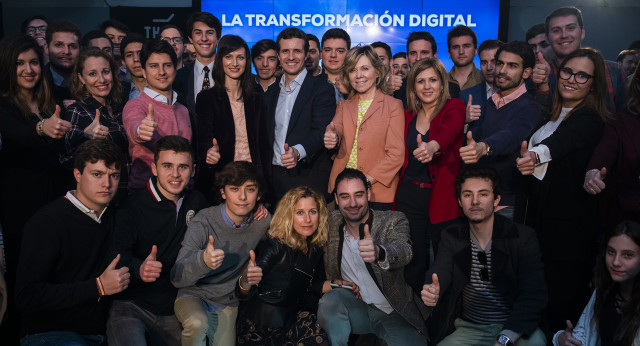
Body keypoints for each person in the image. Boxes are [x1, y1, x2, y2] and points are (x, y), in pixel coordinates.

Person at [516, 47, 609, 335]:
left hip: (569, 236)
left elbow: (563, 143)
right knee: (537, 309)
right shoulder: (551, 115)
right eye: (568, 71)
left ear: (594, 84)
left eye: (583, 75)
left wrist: (535, 156)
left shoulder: (590, 118)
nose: (572, 79)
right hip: (540, 228)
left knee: (561, 313)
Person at [15, 139, 130, 345]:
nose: (107, 184)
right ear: (77, 174)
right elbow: (26, 296)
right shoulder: (48, 222)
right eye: (97, 174)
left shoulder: (114, 215)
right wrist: (98, 287)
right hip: (50, 331)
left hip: (102, 330)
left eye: (114, 175)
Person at [0, 33, 71, 344]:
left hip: (55, 204)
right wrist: (42, 127)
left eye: (33, 62)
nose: (28, 69)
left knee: (56, 272)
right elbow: (15, 134)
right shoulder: (3, 104)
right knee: (21, 279)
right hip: (18, 209)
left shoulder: (53, 100)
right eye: (19, 63)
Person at [424, 167, 547, 346]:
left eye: (483, 194)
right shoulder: (451, 236)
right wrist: (432, 290)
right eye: (467, 195)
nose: (475, 201)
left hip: (514, 326)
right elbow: (440, 271)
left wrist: (506, 338)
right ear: (459, 201)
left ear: (496, 200)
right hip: (469, 328)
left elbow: (534, 293)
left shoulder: (522, 237)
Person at [106, 136, 209, 346]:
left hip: (172, 308)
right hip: (131, 305)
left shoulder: (198, 202)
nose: (175, 174)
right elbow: (116, 253)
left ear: (193, 170)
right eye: (167, 166)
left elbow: (227, 214)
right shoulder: (132, 207)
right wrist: (138, 267)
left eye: (183, 167)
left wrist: (255, 211)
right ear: (154, 168)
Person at [317, 168, 429, 345]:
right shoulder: (329, 222)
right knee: (329, 302)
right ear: (337, 200)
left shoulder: (393, 220)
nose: (352, 203)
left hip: (391, 310)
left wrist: (379, 252)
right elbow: (299, 219)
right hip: (354, 307)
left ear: (368, 194)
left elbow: (404, 250)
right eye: (345, 196)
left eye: (358, 194)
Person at [171, 161, 271, 346]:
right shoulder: (204, 220)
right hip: (194, 295)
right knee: (197, 323)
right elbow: (177, 278)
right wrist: (203, 261)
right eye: (234, 189)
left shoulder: (262, 222)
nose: (242, 197)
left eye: (250, 189)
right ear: (223, 192)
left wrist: (247, 280)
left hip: (227, 301)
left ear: (259, 195)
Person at [395, 58, 465, 293]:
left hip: (442, 198)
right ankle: (416, 319)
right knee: (413, 263)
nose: (427, 86)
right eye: (420, 81)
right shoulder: (406, 116)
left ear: (442, 83)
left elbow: (450, 130)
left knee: (444, 264)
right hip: (408, 196)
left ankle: (443, 322)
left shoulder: (454, 107)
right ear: (413, 87)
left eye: (433, 80)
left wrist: (432, 146)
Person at [237, 186, 330, 345]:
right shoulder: (276, 245)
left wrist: (337, 285)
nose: (307, 219)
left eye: (312, 212)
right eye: (300, 212)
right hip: (261, 324)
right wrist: (245, 280)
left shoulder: (315, 249)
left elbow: (310, 286)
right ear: (288, 216)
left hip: (292, 318)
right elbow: (244, 291)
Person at [461, 41, 541, 219]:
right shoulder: (490, 102)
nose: (502, 70)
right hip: (476, 200)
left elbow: (511, 135)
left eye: (512, 66)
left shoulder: (529, 107)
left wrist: (484, 147)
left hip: (504, 204)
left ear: (526, 72)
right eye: (500, 63)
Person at [324, 45, 404, 210]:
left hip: (378, 192)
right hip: (344, 192)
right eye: (353, 70)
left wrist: (363, 182)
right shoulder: (344, 105)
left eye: (365, 68)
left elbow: (396, 154)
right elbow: (335, 129)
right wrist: (332, 138)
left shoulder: (393, 105)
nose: (359, 75)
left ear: (377, 72)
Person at [195, 34, 272, 203]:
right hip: (223, 181)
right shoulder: (206, 98)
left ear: (247, 61)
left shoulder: (257, 98)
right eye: (228, 57)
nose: (235, 63)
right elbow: (203, 140)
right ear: (220, 60)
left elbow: (264, 147)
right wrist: (208, 153)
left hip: (253, 181)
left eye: (240, 57)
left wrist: (265, 190)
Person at [265, 27, 336, 202]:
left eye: (297, 51)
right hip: (274, 180)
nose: (291, 57)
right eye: (285, 51)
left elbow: (321, 131)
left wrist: (298, 152)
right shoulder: (269, 93)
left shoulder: (322, 89)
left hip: (308, 177)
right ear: (279, 55)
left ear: (306, 55)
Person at [553, 220, 640, 346]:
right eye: (611, 252)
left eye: (627, 255)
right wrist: (560, 338)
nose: (616, 262)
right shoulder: (604, 290)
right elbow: (583, 336)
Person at [122, 39, 191, 191]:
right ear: (144, 72)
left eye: (167, 65)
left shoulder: (183, 110)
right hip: (144, 195)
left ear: (175, 68)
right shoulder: (135, 105)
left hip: (181, 194)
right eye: (154, 66)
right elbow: (135, 125)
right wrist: (141, 130)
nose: (161, 72)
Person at [533, 6, 627, 113]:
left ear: (582, 33)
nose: (564, 35)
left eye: (571, 28)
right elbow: (535, 122)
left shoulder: (613, 71)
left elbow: (627, 120)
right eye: (556, 30)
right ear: (547, 38)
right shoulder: (539, 76)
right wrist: (542, 88)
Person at [584, 65, 640, 225]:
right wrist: (593, 173)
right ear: (638, 85)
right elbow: (604, 154)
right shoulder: (620, 122)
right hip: (628, 221)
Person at [174, 12, 222, 124]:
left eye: (209, 33)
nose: (204, 38)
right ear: (190, 38)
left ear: (218, 37)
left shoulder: (232, 74)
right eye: (198, 33)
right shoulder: (178, 78)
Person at [394, 31, 460, 107]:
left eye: (424, 52)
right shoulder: (397, 89)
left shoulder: (451, 89)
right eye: (413, 53)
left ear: (435, 56)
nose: (418, 58)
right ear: (407, 57)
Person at [460, 40, 504, 123]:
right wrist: (464, 120)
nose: (489, 68)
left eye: (494, 61)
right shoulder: (465, 96)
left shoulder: (517, 93)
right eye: (484, 63)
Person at [44, 20, 81, 104]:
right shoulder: (37, 83)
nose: (66, 51)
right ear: (46, 48)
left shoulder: (90, 81)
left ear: (80, 49)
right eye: (59, 45)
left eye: (72, 46)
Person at [447, 25, 483, 90]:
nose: (461, 52)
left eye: (466, 46)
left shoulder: (485, 79)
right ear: (449, 53)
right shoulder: (440, 81)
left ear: (475, 51)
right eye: (456, 47)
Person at [320, 28, 351, 102]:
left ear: (349, 54)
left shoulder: (359, 84)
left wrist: (351, 92)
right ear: (321, 53)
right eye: (328, 50)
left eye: (340, 51)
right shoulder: (309, 85)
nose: (333, 55)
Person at [120, 33, 146, 104]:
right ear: (123, 62)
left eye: (140, 53)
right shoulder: (118, 96)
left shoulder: (167, 90)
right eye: (129, 55)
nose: (136, 59)